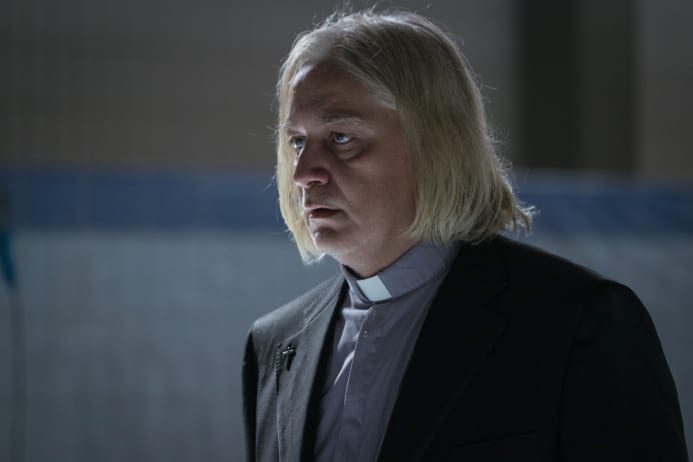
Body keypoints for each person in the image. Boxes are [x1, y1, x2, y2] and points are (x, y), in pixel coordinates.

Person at [242, 8, 688, 462]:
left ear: (436, 143)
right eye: (297, 141)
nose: (303, 173)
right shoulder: (275, 346)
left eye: (340, 137)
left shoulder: (578, 326)